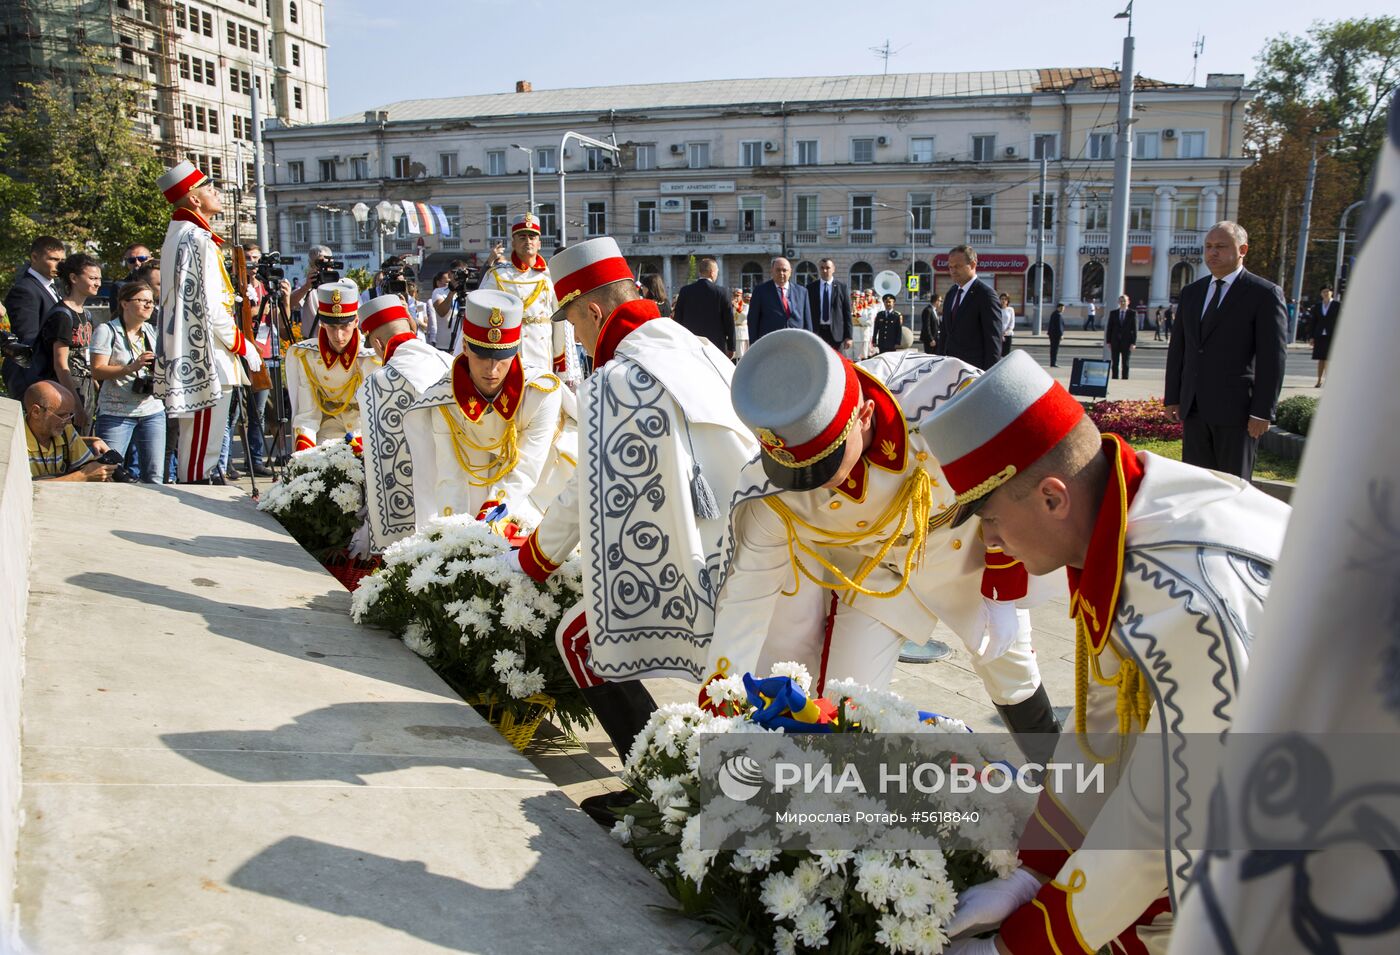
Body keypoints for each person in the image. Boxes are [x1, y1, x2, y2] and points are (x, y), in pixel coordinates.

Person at [921, 351, 1289, 955]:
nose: (990, 542)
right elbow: (1109, 723)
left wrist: (1025, 944)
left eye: (990, 519)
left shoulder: (1185, 607)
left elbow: (1163, 827)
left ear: (1052, 498)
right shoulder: (1125, 506)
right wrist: (1032, 874)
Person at [707, 331, 1058, 756]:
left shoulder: (946, 396)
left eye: (827, 461)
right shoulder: (771, 491)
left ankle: (1058, 780)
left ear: (866, 414)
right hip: (877, 574)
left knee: (1012, 671)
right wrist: (718, 706)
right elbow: (745, 597)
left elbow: (1015, 478)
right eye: (799, 470)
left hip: (972, 548)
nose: (813, 482)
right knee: (847, 702)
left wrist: (1004, 590)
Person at [511, 236, 760, 794]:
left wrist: (534, 558)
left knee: (579, 639)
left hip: (712, 563)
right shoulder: (695, 346)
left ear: (595, 312)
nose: (575, 340)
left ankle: (655, 783)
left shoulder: (622, 379)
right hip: (755, 545)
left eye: (574, 326)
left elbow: (586, 490)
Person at [407, 288, 570, 527]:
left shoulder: (541, 392)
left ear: (516, 351)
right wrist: (452, 533)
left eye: (502, 357)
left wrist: (490, 517)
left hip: (544, 483)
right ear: (464, 346)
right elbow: (450, 475)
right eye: (481, 356)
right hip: (477, 482)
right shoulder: (442, 398)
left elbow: (526, 467)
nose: (492, 370)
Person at [151, 159, 263, 484]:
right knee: (199, 457)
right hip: (207, 358)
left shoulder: (185, 234)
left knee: (204, 450)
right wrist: (244, 345)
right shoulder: (196, 238)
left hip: (205, 355)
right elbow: (212, 310)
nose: (216, 192)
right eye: (208, 187)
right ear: (193, 199)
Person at [1164, 221, 1287, 480]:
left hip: (1237, 414)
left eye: (1221, 246)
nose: (1212, 253)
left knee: (1232, 487)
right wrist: (1173, 397)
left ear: (1242, 249)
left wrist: (1262, 412)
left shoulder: (1264, 294)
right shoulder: (1191, 293)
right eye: (1208, 247)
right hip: (1194, 408)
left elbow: (1272, 359)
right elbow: (1179, 350)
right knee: (1197, 484)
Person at [358, 294, 455, 549]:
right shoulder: (450, 361)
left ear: (378, 344)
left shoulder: (378, 383)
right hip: (458, 490)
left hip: (412, 514)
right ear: (411, 326)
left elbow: (380, 465)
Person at [481, 213, 579, 385]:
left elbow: (560, 320)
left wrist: (560, 358)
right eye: (522, 236)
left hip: (542, 349)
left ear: (539, 243)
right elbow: (482, 314)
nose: (528, 241)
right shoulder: (498, 275)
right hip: (509, 349)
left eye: (532, 236)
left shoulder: (550, 276)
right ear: (513, 242)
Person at [284, 280, 378, 452]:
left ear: (356, 321)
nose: (338, 335)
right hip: (329, 431)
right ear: (322, 324)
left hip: (364, 428)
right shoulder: (307, 356)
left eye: (345, 326)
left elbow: (377, 413)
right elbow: (307, 414)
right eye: (332, 327)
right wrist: (304, 459)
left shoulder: (371, 356)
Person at [89, 281, 166, 483]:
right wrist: (131, 367)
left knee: (155, 475)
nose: (149, 306)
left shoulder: (151, 331)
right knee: (109, 473)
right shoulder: (106, 331)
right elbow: (96, 371)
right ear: (124, 303)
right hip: (116, 412)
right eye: (143, 300)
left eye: (151, 301)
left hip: (152, 409)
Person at [43, 252, 101, 432]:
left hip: (86, 387)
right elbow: (60, 365)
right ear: (74, 278)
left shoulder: (87, 314)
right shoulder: (62, 315)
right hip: (67, 389)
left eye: (99, 278)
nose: (97, 283)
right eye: (92, 278)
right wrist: (75, 404)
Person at [3, 236, 65, 395]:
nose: (59, 264)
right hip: (33, 377)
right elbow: (27, 338)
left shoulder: (53, 287)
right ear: (35, 257)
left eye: (61, 260)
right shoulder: (25, 290)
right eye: (53, 259)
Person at [22, 380, 115, 482]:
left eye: (70, 414)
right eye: (61, 415)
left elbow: (87, 467)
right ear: (36, 412)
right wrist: (83, 476)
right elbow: (24, 490)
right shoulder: (16, 441)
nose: (69, 421)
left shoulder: (66, 432)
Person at [936, 245, 1001, 370]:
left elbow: (993, 341)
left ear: (972, 265)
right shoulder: (952, 293)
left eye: (957, 266)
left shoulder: (986, 295)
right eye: (950, 267)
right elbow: (945, 333)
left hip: (973, 370)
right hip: (949, 369)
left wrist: (987, 377)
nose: (953, 271)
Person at [672, 256, 735, 356]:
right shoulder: (721, 292)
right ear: (712, 272)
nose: (717, 275)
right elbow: (729, 322)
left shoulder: (685, 291)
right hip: (716, 344)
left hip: (690, 343)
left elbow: (678, 319)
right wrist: (732, 346)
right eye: (717, 271)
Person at [746, 256, 812, 343]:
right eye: (778, 270)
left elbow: (807, 321)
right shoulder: (760, 291)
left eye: (784, 270)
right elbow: (753, 320)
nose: (781, 273)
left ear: (790, 272)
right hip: (771, 342)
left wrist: (810, 342)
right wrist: (754, 345)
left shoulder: (802, 291)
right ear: (772, 271)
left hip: (796, 342)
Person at [805, 258, 853, 352]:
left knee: (837, 361)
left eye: (827, 268)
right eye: (822, 268)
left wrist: (849, 336)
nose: (825, 270)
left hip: (836, 333)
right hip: (817, 332)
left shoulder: (841, 287)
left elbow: (846, 312)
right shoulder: (811, 288)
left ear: (833, 269)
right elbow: (807, 311)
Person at [288, 245, 335, 339]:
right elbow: (291, 304)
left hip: (337, 339)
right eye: (318, 264)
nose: (323, 268)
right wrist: (306, 287)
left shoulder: (342, 283)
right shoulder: (305, 283)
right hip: (313, 339)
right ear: (310, 265)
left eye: (325, 263)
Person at [1309, 285, 1339, 387]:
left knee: (1329, 359)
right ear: (1321, 294)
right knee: (1321, 358)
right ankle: (1319, 380)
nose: (1326, 294)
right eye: (1323, 292)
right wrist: (1312, 336)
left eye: (1327, 291)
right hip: (1320, 335)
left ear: (1331, 292)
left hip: (1332, 335)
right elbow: (1314, 322)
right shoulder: (1317, 306)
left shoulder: (1337, 305)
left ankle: (1329, 381)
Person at [1104, 293, 1138, 380]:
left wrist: (1133, 343)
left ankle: (1125, 378)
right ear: (1118, 302)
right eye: (1121, 301)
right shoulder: (1113, 313)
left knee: (1125, 362)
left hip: (1127, 342)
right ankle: (1115, 378)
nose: (1122, 303)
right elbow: (1109, 328)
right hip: (1115, 341)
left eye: (1124, 301)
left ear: (1128, 302)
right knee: (1115, 362)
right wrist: (1108, 341)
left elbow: (1134, 329)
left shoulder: (1132, 313)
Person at [998, 292, 1016, 360]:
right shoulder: (997, 309)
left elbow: (1012, 323)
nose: (1003, 301)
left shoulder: (1010, 310)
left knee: (1006, 354)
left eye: (1005, 299)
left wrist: (1006, 332)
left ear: (1008, 301)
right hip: (999, 334)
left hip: (1008, 334)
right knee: (999, 353)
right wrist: (1000, 333)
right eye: (1002, 299)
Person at [732, 287, 749, 358]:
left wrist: (738, 308)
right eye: (735, 296)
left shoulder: (745, 306)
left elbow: (745, 316)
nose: (736, 298)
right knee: (734, 355)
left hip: (742, 331)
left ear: (741, 296)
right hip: (733, 330)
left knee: (742, 355)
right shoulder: (731, 305)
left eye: (738, 296)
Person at [1047, 302, 1065, 367]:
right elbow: (1059, 326)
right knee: (1055, 349)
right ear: (1059, 308)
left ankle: (1052, 363)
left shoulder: (1054, 313)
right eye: (1062, 308)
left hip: (1052, 334)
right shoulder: (1058, 315)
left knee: (1053, 349)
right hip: (1056, 335)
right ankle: (1053, 363)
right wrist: (1061, 335)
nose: (1063, 309)